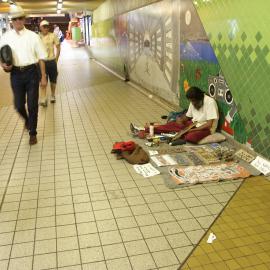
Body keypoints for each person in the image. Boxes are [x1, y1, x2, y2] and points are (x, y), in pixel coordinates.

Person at [0, 6, 47, 145]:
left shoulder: (33, 36)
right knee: (18, 105)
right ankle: (27, 120)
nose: (18, 21)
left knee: (32, 104)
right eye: (15, 19)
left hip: (32, 72)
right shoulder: (5, 37)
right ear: (11, 21)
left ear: (24, 19)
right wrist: (3, 64)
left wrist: (43, 76)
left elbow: (41, 58)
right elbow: (1, 55)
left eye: (20, 18)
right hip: (15, 74)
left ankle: (33, 132)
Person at [131, 86, 219, 143]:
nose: (192, 103)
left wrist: (191, 130)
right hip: (193, 124)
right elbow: (188, 116)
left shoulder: (210, 102)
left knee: (191, 137)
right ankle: (145, 129)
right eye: (191, 101)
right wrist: (181, 119)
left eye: (193, 101)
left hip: (205, 128)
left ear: (199, 98)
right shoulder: (194, 101)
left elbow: (209, 124)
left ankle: (178, 135)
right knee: (172, 124)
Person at [39, 20, 61, 106]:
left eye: (47, 26)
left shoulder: (53, 36)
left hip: (51, 61)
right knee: (42, 80)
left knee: (53, 80)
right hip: (41, 61)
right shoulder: (37, 37)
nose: (46, 28)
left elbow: (58, 47)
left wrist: (56, 59)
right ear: (40, 28)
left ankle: (52, 95)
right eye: (44, 26)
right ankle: (43, 98)